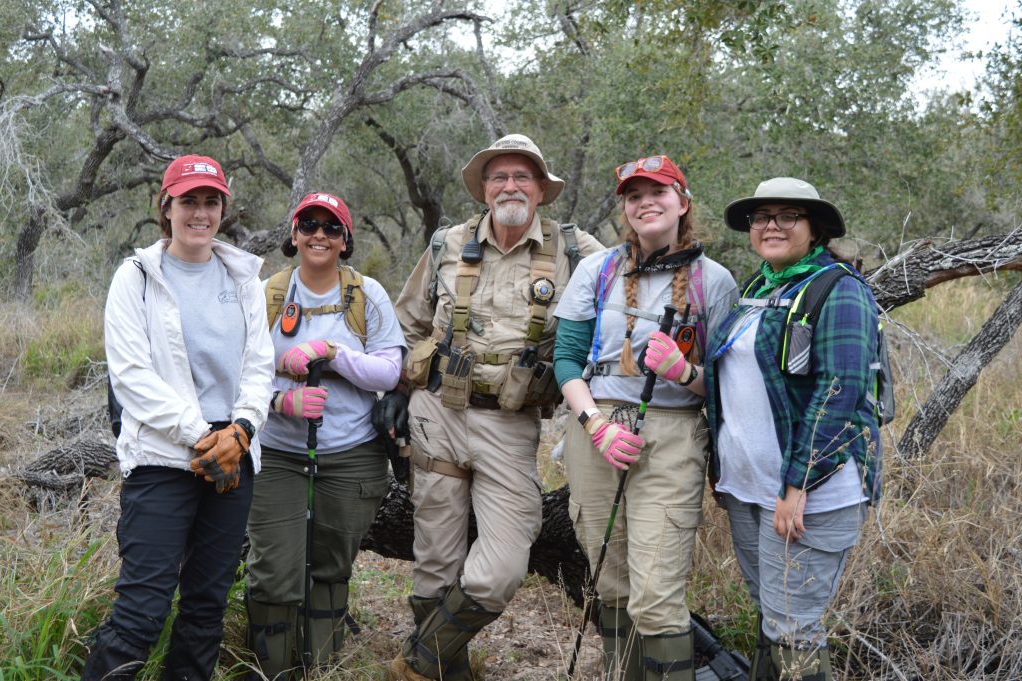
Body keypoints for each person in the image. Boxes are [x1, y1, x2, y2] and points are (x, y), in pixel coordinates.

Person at [376, 134, 603, 681]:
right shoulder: (446, 245)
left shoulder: (579, 252)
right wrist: (397, 391)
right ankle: (445, 671)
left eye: (522, 177)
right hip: (437, 414)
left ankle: (413, 664)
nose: (510, 186)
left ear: (542, 190)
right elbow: (407, 323)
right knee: (435, 560)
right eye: (498, 177)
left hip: (511, 422)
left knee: (501, 567)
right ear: (483, 188)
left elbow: (622, 304)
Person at [83, 155, 275, 680]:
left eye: (210, 201)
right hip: (164, 459)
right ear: (164, 207)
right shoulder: (137, 277)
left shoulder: (244, 280)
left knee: (206, 608)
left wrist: (241, 431)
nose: (200, 212)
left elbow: (260, 366)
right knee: (140, 611)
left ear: (223, 210)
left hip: (235, 459)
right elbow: (131, 377)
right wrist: (203, 436)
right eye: (188, 200)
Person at [553, 155, 738, 680]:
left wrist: (684, 372)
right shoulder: (599, 268)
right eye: (634, 196)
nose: (645, 203)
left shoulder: (715, 282)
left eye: (658, 192)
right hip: (597, 428)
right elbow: (566, 359)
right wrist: (595, 425)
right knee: (609, 584)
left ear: (682, 202)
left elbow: (727, 386)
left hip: (674, 433)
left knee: (655, 597)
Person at [691, 177, 882, 680]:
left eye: (787, 216)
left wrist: (797, 484)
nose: (771, 225)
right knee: (773, 616)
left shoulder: (839, 289)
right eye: (761, 217)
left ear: (814, 228)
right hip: (750, 489)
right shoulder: (758, 288)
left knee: (793, 626)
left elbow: (838, 391)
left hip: (806, 492)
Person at [244, 191, 406, 678]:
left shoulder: (366, 295)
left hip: (351, 455)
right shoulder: (266, 295)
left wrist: (331, 353)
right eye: (309, 224)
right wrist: (281, 394)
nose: (319, 234)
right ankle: (274, 669)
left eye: (331, 227)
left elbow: (389, 372)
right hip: (277, 452)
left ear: (345, 240)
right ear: (293, 235)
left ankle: (323, 667)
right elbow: (234, 369)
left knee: (331, 567)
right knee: (274, 571)